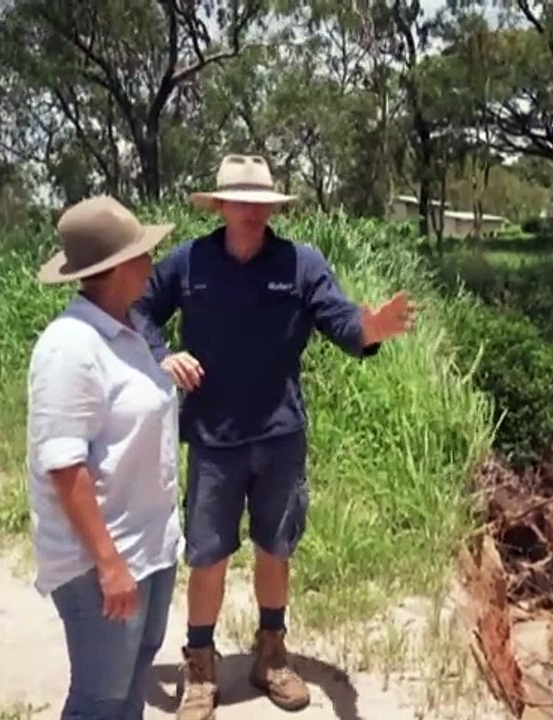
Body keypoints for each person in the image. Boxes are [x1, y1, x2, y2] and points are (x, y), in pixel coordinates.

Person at [132, 154, 414, 719]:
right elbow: (139, 310)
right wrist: (162, 355)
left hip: (280, 435)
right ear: (221, 206)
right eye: (242, 202)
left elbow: (339, 319)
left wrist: (371, 330)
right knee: (208, 556)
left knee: (274, 549)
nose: (253, 212)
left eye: (262, 204)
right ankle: (201, 665)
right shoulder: (189, 263)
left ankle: (271, 653)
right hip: (213, 438)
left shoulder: (300, 263)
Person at [27, 195, 183, 720]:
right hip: (101, 560)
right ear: (117, 267)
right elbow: (64, 465)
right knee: (99, 696)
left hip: (149, 547)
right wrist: (109, 564)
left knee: (131, 679)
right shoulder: (69, 346)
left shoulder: (129, 331)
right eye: (144, 254)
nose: (152, 263)